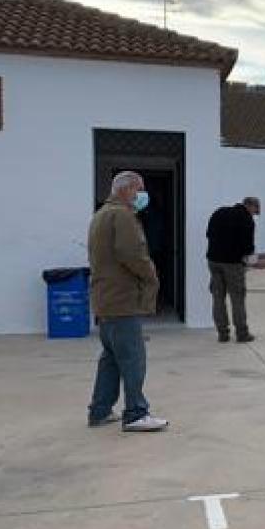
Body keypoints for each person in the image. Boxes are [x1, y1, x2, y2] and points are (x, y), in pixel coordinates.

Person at [87, 171, 169, 433]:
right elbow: (133, 254)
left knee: (111, 358)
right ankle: (135, 413)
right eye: (139, 189)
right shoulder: (123, 215)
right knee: (133, 358)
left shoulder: (101, 214)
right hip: (122, 299)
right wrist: (151, 275)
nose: (141, 195)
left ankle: (99, 411)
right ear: (126, 189)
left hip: (106, 298)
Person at [205, 196, 260, 343]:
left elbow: (208, 234)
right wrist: (248, 260)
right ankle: (242, 333)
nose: (254, 214)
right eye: (255, 211)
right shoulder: (247, 220)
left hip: (213, 261)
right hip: (233, 264)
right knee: (237, 298)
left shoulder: (219, 212)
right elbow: (248, 247)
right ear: (251, 206)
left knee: (218, 298)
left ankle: (222, 333)